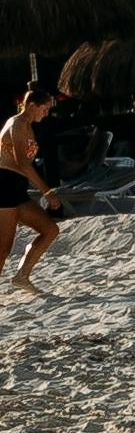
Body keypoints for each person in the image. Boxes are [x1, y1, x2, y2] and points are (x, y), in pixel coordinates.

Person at [0, 87, 66, 294]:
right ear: (31, 106)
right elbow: (23, 164)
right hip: (4, 185)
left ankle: (22, 276)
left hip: (17, 189)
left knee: (50, 230)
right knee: (4, 247)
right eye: (44, 109)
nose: (46, 114)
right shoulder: (17, 124)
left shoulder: (28, 125)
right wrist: (48, 192)